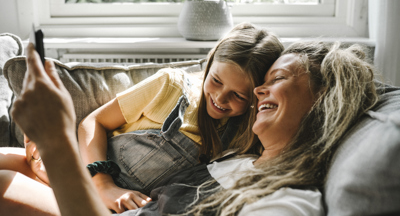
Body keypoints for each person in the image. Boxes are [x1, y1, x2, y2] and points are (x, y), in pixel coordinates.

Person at [2, 39, 378, 216]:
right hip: (96, 180)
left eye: (274, 79)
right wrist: (75, 165)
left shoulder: (288, 198)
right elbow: (96, 124)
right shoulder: (243, 156)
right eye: (215, 82)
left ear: (323, 101)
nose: (261, 89)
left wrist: (56, 145)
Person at [0, 22, 284, 215]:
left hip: (93, 202)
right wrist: (102, 183)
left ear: (258, 97)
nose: (221, 99)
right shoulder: (171, 86)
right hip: (87, 168)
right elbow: (93, 123)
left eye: (238, 96)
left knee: (3, 183)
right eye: (217, 81)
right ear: (208, 66)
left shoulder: (247, 135)